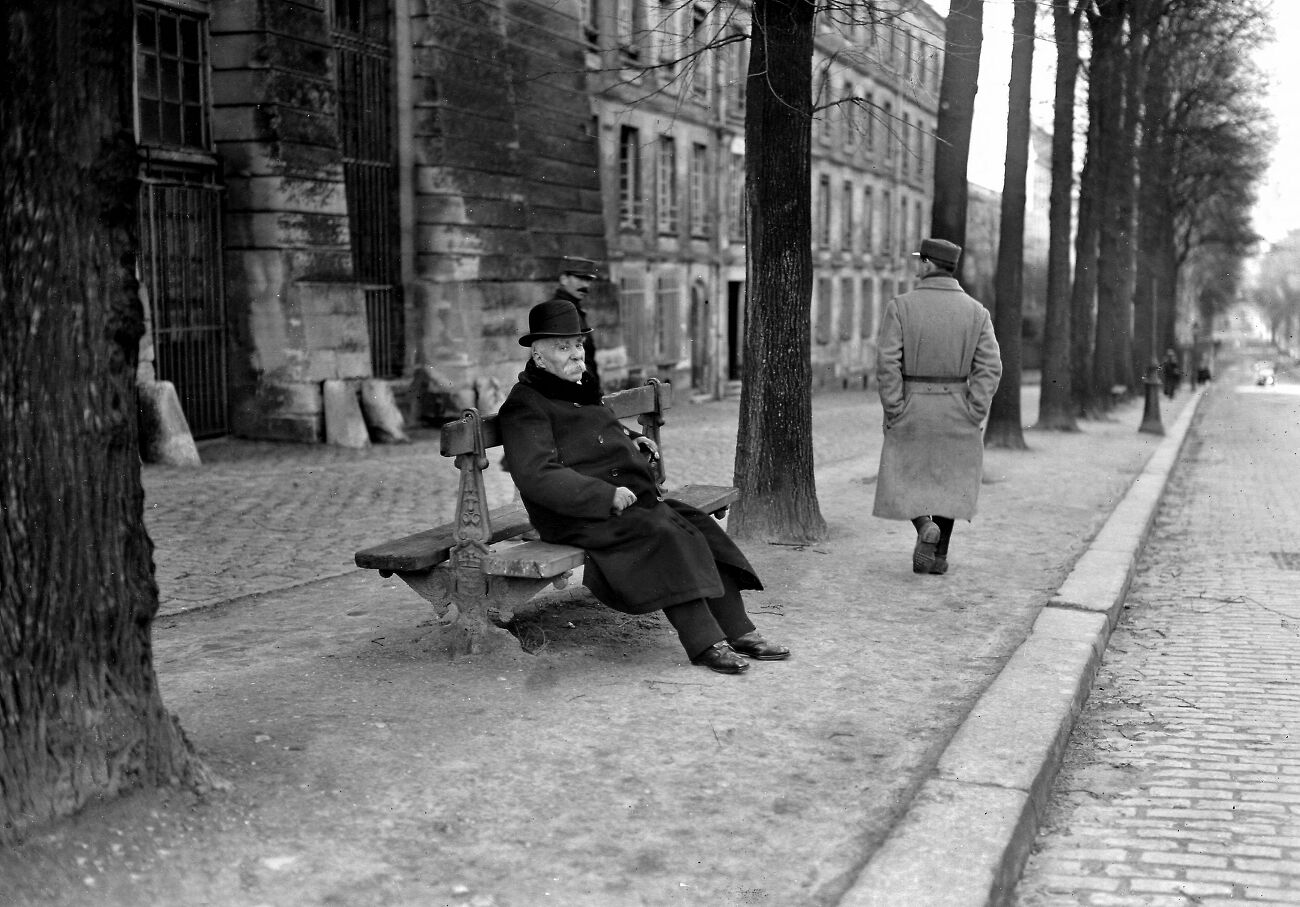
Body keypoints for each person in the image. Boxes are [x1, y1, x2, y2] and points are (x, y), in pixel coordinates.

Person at [498, 299, 789, 675]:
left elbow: (598, 431)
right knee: (661, 533)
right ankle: (704, 642)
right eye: (563, 347)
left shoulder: (576, 388)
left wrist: (632, 438)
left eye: (578, 345)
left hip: (625, 501)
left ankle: (739, 629)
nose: (576, 355)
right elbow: (537, 475)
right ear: (538, 357)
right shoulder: (525, 404)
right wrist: (603, 496)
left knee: (696, 525)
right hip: (576, 513)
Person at [872, 238, 1003, 576]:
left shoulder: (900, 306)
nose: (918, 266)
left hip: (913, 404)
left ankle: (922, 528)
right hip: (957, 405)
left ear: (929, 265)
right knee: (951, 481)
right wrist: (975, 408)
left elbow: (887, 363)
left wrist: (894, 405)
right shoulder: (977, 312)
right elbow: (990, 367)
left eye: (921, 261)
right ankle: (939, 554)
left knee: (902, 473)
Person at [548, 256, 602, 388]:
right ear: (564, 279)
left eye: (588, 280)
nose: (586, 285)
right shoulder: (559, 311)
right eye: (580, 278)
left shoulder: (573, 309)